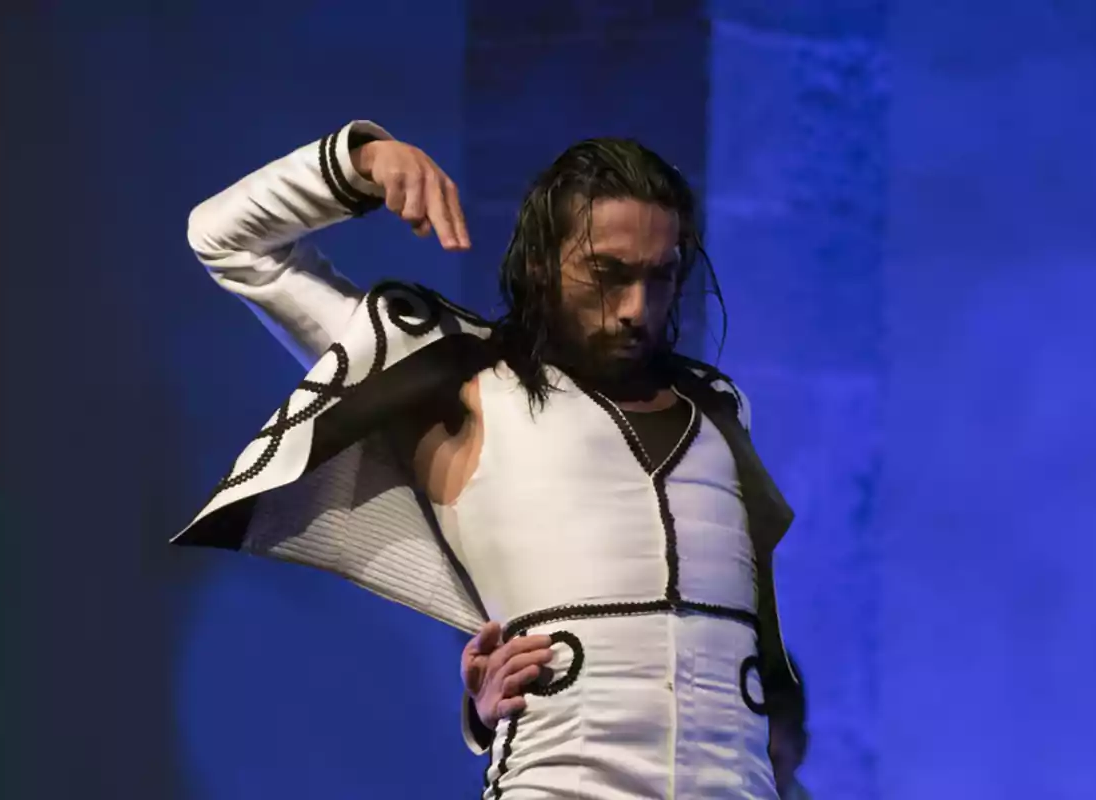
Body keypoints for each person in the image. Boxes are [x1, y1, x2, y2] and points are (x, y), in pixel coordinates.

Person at [172, 118, 805, 798]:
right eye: (607, 273)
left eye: (661, 276)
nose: (636, 308)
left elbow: (744, 652)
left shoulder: (717, 408)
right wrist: (358, 162)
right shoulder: (461, 383)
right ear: (541, 261)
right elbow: (226, 240)